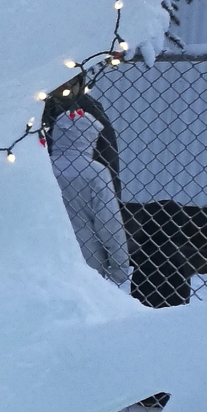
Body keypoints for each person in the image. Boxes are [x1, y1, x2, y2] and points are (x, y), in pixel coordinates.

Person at [48, 107, 130, 285]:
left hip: (45, 253)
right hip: (86, 259)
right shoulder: (96, 172)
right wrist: (120, 267)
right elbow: (109, 222)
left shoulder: (43, 167)